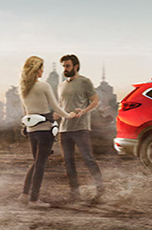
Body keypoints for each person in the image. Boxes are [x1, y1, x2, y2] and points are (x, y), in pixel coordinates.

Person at [19, 56, 77, 208]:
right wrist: (68, 115)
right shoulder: (43, 86)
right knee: (40, 164)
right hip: (45, 129)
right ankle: (34, 199)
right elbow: (56, 107)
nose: (42, 71)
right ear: (36, 69)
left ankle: (25, 194)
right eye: (41, 68)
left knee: (36, 161)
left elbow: (25, 111)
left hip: (31, 129)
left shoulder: (23, 88)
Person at [57, 54, 103, 203]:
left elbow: (95, 101)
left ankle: (100, 189)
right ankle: (74, 193)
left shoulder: (85, 82)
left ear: (76, 66)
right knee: (68, 162)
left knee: (88, 159)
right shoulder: (61, 85)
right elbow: (60, 108)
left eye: (68, 66)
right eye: (63, 66)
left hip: (81, 128)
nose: (65, 68)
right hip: (64, 129)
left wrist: (84, 111)